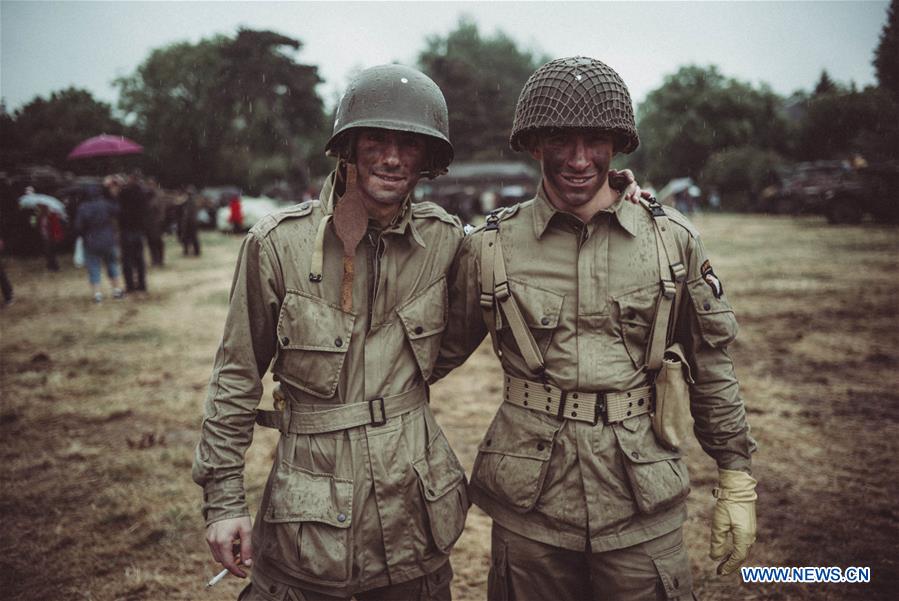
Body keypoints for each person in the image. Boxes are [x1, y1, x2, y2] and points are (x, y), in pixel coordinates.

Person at [433, 56, 758, 600]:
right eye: (561, 140)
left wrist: (736, 473)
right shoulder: (490, 247)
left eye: (596, 141)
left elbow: (711, 364)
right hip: (531, 507)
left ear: (618, 145)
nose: (580, 159)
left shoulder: (669, 241)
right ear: (535, 144)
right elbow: (429, 355)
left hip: (640, 502)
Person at [192, 64, 472, 601]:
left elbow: (475, 312)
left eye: (409, 144)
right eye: (377, 140)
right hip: (310, 521)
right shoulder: (278, 245)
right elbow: (235, 376)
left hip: (413, 509)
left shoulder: (446, 241)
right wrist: (225, 500)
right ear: (348, 147)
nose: (392, 157)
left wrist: (616, 194)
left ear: (427, 158)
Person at [75, 180, 124, 303]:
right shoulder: (106, 204)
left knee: (93, 267)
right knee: (112, 264)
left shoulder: (83, 207)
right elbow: (118, 211)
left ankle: (97, 294)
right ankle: (117, 290)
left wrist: (84, 234)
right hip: (108, 239)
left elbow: (78, 227)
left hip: (91, 241)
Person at [118, 172, 149, 291]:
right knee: (139, 259)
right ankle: (142, 284)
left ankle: (130, 285)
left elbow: (119, 209)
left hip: (126, 230)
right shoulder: (143, 193)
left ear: (130, 179)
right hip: (139, 230)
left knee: (127, 260)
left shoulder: (124, 192)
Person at [179, 186, 201, 256]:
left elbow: (190, 213)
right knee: (187, 238)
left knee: (193, 238)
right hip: (189, 222)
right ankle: (187, 251)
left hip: (191, 222)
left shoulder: (192, 201)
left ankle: (195, 251)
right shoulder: (187, 201)